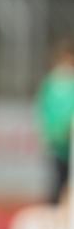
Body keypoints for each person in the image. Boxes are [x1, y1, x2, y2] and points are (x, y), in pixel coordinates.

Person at [35, 38, 74, 205]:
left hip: (69, 140)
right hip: (59, 143)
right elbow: (44, 110)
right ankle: (54, 218)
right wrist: (51, 133)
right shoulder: (51, 82)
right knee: (58, 182)